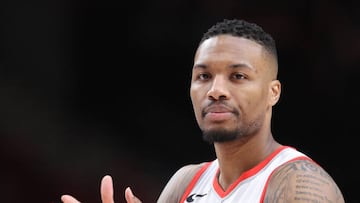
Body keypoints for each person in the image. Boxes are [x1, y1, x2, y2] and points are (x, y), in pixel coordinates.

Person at [61, 18, 345, 203]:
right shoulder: (185, 183)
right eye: (204, 76)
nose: (215, 90)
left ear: (273, 92)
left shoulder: (300, 186)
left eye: (238, 76)